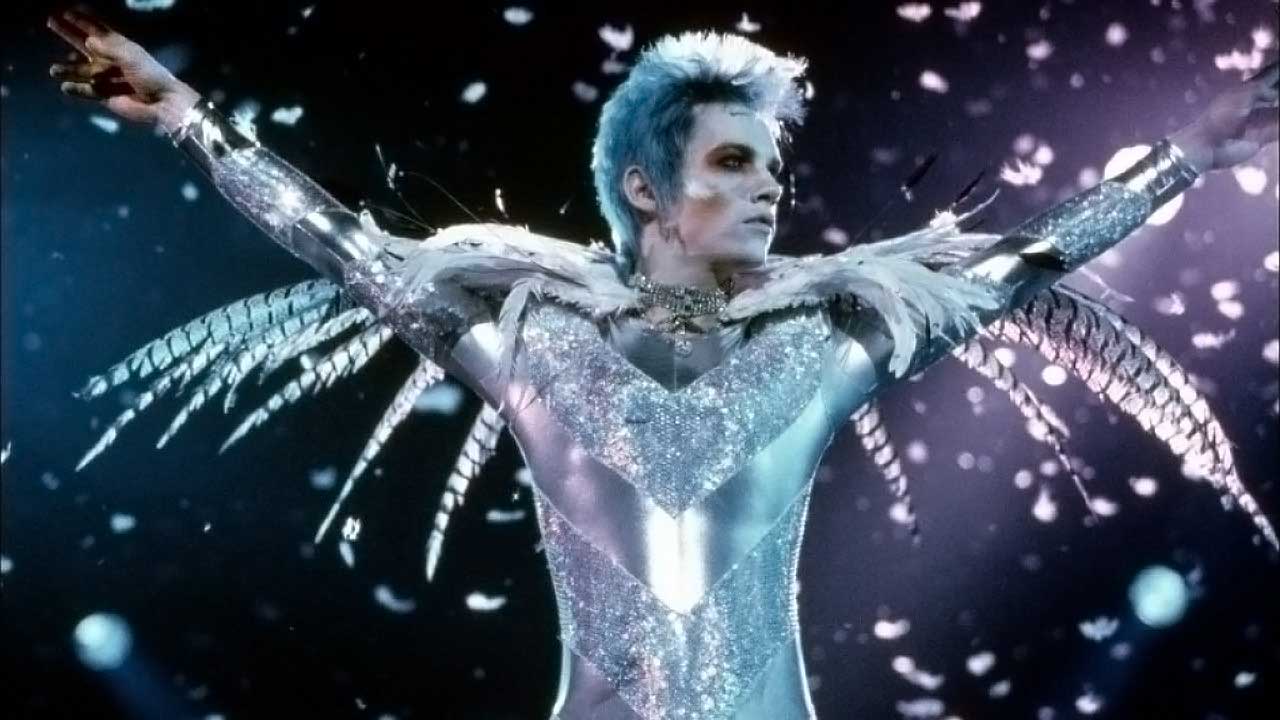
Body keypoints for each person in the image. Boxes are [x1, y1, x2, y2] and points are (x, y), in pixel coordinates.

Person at [48, 7, 1278, 719]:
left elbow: (1019, 260)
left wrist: (1186, 152)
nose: (770, 188)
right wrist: (191, 119)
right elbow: (346, 246)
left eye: (774, 166)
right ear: (644, 187)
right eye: (735, 162)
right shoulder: (531, 346)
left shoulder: (825, 345)